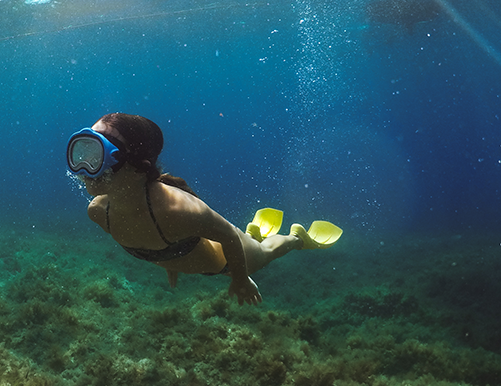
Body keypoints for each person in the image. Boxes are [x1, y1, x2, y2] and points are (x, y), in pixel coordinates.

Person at [67, 113, 340, 306]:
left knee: (267, 252)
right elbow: (146, 238)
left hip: (226, 261)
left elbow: (228, 239)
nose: (85, 168)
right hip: (194, 246)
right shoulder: (99, 212)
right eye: (84, 153)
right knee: (245, 240)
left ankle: (297, 238)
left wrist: (241, 279)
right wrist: (168, 260)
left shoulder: (179, 212)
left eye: (98, 156)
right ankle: (256, 232)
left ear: (139, 168)